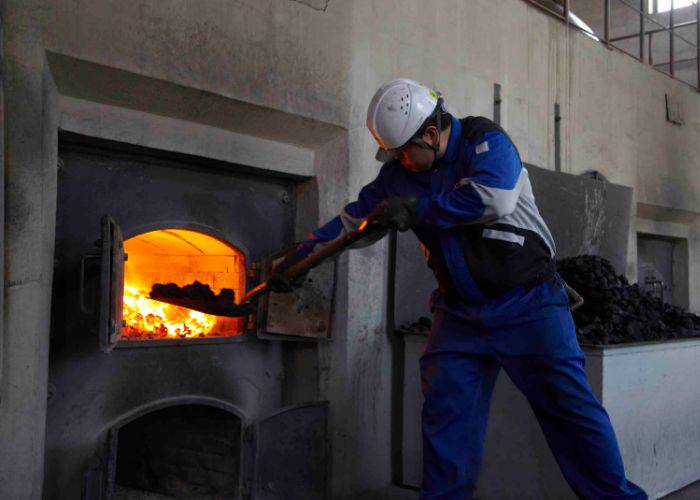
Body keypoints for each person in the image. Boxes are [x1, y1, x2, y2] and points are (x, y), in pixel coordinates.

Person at [271, 78, 647, 500]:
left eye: (402, 152)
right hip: (460, 314)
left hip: (528, 304)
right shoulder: (400, 175)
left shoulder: (485, 142)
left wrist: (420, 209)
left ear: (431, 135)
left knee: (571, 414)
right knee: (447, 420)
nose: (397, 162)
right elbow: (352, 224)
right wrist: (303, 258)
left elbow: (493, 199)